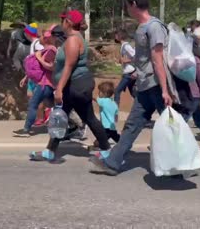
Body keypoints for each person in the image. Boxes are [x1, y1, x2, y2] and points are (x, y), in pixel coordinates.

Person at [89, 0, 179, 176]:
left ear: (134, 5)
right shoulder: (143, 27)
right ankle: (113, 163)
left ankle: (180, 163)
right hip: (145, 84)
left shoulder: (154, 27)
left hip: (156, 85)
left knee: (170, 126)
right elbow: (146, 59)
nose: (127, 9)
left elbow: (158, 58)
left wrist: (164, 89)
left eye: (127, 6)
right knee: (132, 124)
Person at [29, 10, 111, 162]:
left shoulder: (73, 40)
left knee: (88, 118)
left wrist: (59, 88)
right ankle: (50, 151)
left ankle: (107, 151)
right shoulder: (73, 38)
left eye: (62, 20)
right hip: (74, 85)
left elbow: (69, 66)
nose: (61, 23)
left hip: (76, 86)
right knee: (61, 117)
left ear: (67, 22)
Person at [13, 26, 57, 137]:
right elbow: (38, 68)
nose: (40, 37)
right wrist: (26, 77)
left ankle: (26, 129)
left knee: (33, 104)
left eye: (42, 36)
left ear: (47, 39)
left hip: (46, 83)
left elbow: (51, 67)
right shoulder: (44, 50)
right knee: (55, 105)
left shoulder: (51, 50)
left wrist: (39, 58)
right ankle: (73, 124)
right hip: (45, 83)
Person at [90, 81, 120, 151]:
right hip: (112, 126)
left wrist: (88, 95)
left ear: (105, 93)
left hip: (106, 127)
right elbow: (116, 115)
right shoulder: (114, 103)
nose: (98, 93)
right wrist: (115, 120)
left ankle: (102, 146)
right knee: (116, 137)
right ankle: (123, 143)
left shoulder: (103, 101)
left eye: (99, 92)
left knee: (100, 140)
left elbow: (95, 99)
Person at [113, 29, 136, 105]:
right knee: (133, 93)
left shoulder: (126, 46)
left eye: (116, 35)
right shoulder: (123, 45)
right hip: (129, 72)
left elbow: (136, 57)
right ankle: (143, 107)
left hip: (129, 74)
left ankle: (115, 110)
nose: (115, 36)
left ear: (119, 36)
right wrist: (121, 60)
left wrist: (127, 60)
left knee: (117, 91)